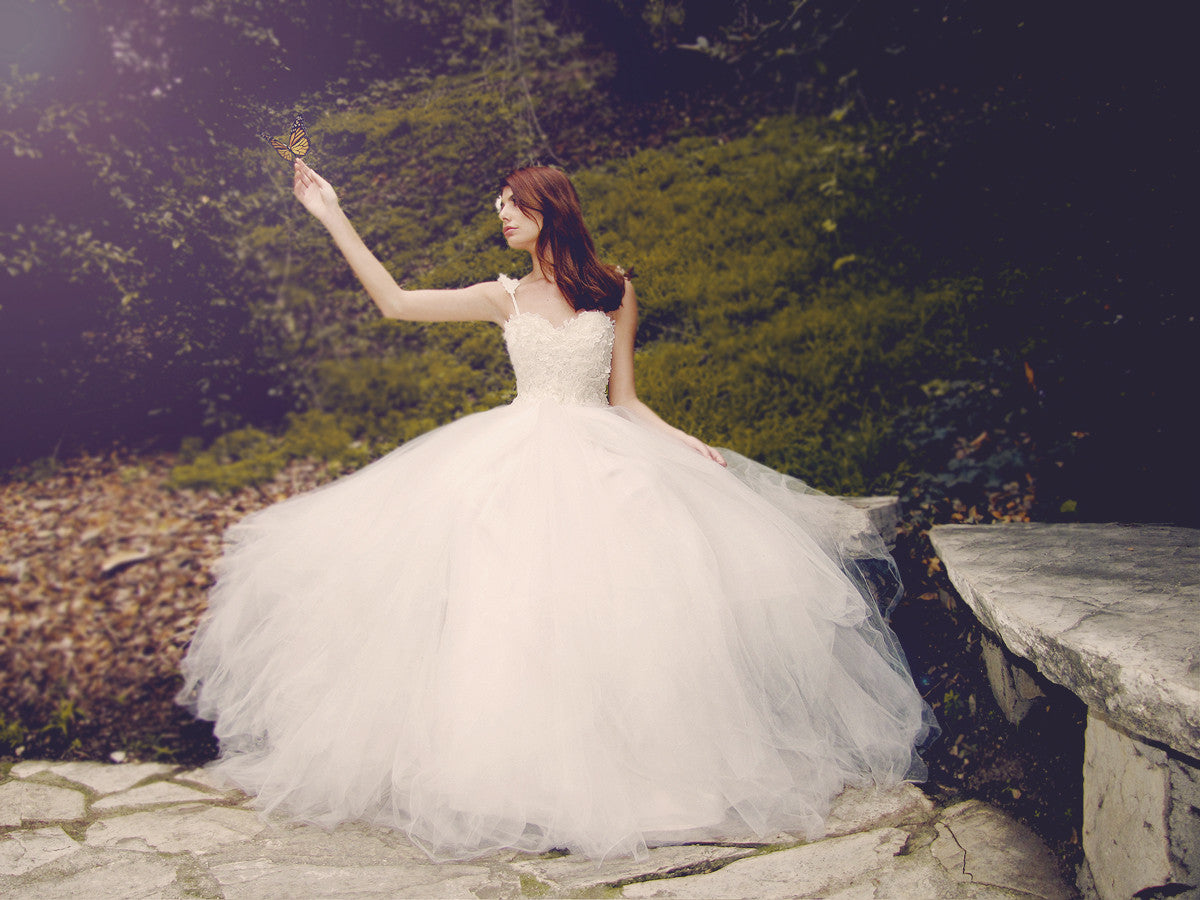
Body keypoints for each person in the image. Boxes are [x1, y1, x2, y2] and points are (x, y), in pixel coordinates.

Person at [178, 158, 936, 863]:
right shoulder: (503, 295)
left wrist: (686, 442)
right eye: (500, 205)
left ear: (552, 209)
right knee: (515, 614)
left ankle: (645, 775)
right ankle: (515, 783)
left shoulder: (613, 287)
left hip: (610, 460)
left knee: (628, 616)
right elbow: (396, 302)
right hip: (519, 461)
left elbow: (627, 399)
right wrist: (331, 213)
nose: (502, 214)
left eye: (514, 204)